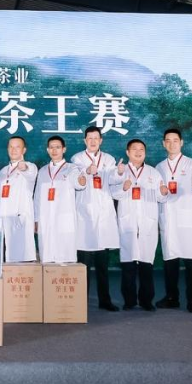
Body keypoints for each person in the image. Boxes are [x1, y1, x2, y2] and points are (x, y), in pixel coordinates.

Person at [110, 139, 166, 311]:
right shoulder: (120, 171)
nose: (138, 152)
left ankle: (146, 301)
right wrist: (124, 187)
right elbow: (113, 193)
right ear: (127, 152)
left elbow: (161, 197)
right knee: (128, 264)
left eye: (141, 149)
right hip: (128, 222)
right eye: (134, 149)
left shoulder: (153, 172)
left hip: (147, 222)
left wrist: (163, 192)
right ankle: (129, 301)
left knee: (146, 264)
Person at [154, 128, 192, 313]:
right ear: (163, 144)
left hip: (187, 218)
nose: (172, 144)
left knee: (191, 261)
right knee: (170, 260)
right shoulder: (159, 167)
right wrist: (161, 193)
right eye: (168, 140)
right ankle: (171, 297)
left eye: (175, 140)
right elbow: (157, 193)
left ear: (181, 142)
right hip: (168, 218)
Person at [72, 126, 121, 311]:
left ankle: (105, 300)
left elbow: (113, 179)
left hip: (103, 215)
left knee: (102, 263)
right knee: (83, 263)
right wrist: (87, 170)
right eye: (89, 138)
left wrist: (120, 172)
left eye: (96, 138)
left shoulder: (109, 159)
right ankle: (81, 302)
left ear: (101, 140)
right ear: (85, 140)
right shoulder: (77, 158)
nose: (93, 141)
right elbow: (77, 179)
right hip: (84, 214)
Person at [34, 136, 87, 265]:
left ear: (64, 149)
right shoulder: (42, 171)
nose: (54, 150)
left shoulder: (71, 168)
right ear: (47, 150)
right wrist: (36, 219)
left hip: (64, 218)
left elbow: (78, 182)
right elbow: (37, 197)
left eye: (57, 147)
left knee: (65, 258)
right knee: (47, 257)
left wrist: (81, 181)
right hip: (45, 219)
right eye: (51, 147)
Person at [0, 135, 38, 263]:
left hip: (20, 218)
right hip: (2, 219)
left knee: (20, 259)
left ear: (24, 150)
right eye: (11, 147)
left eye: (17, 147)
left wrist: (24, 168)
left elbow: (30, 174)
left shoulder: (31, 166)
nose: (13, 150)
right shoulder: (3, 171)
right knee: (3, 258)